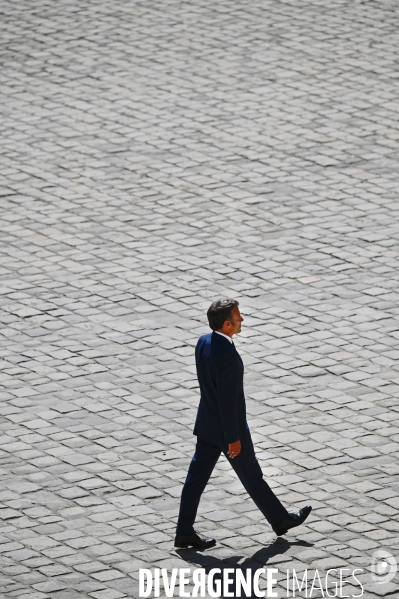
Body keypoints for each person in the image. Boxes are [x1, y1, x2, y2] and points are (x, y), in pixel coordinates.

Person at [175, 298, 312, 549]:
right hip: (229, 429)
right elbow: (228, 401)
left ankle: (184, 531)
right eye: (238, 317)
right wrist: (233, 438)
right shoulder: (226, 355)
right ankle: (280, 520)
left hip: (207, 424)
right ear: (227, 324)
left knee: (195, 480)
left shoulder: (204, 342)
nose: (242, 320)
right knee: (252, 476)